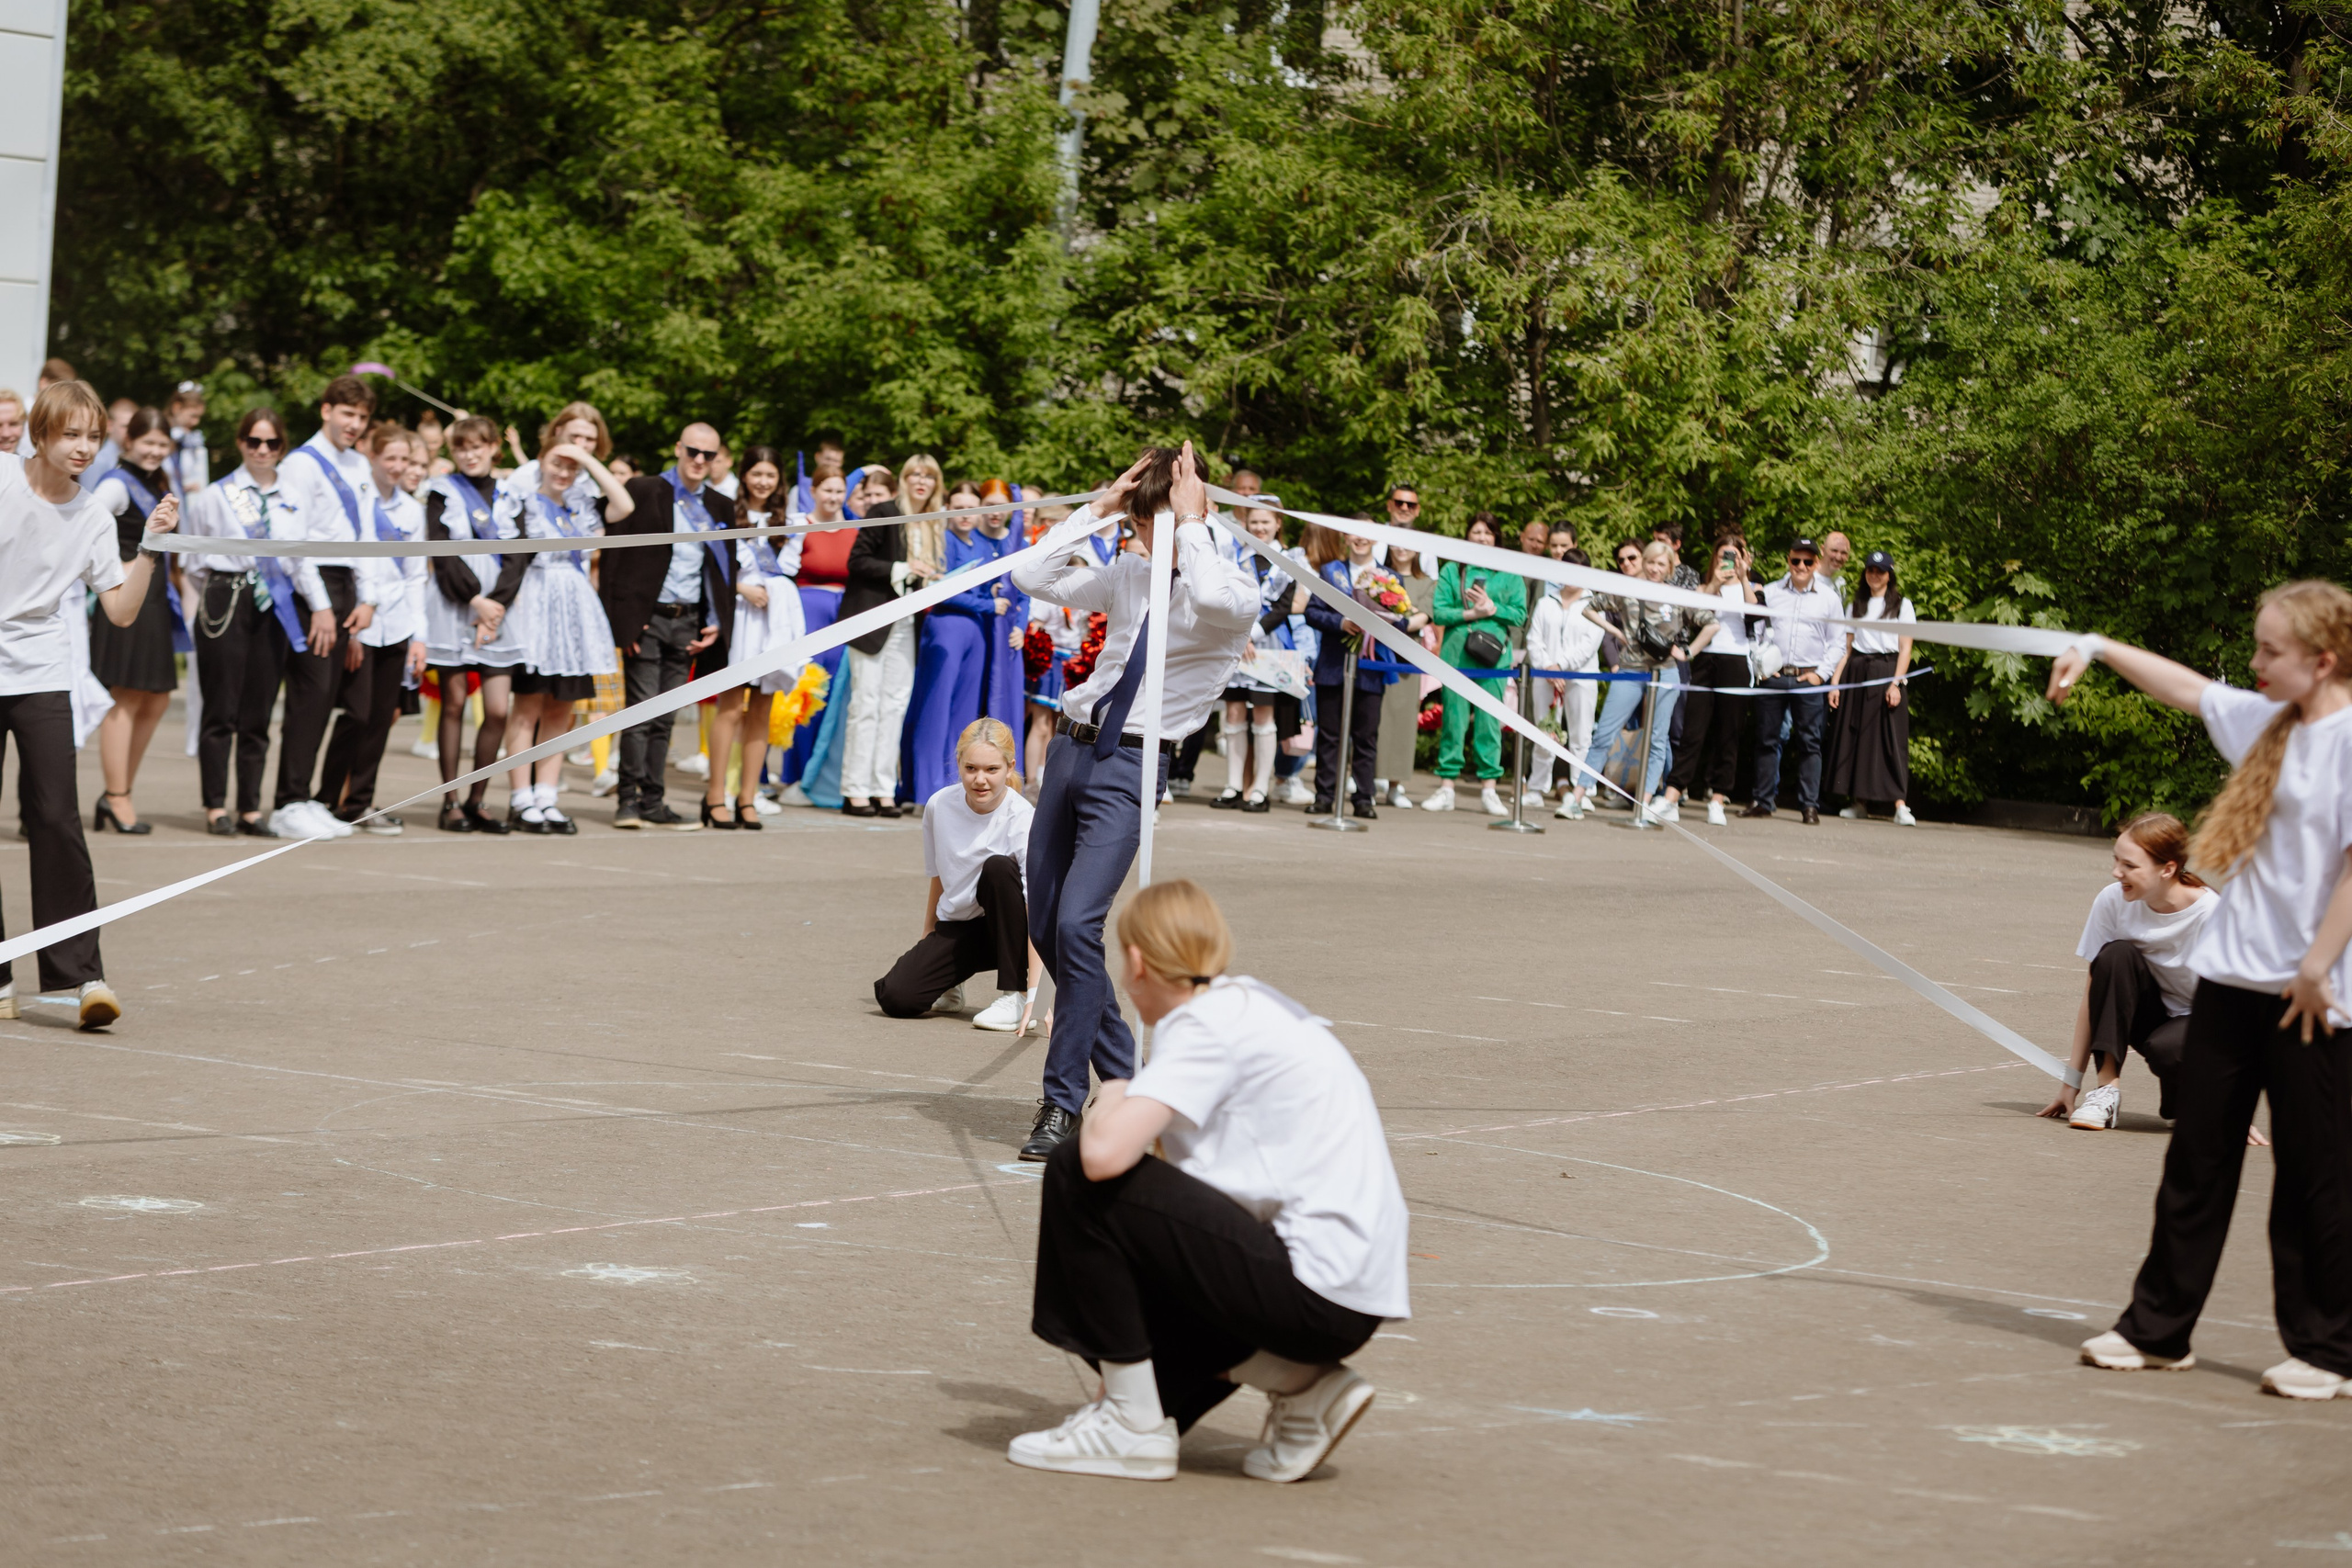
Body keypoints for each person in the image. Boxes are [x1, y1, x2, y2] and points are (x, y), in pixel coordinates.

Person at [2050, 583, 2352, 1398]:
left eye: (2269, 652)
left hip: (2313, 994)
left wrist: (2320, 966)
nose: (2253, 665)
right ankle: (2157, 1329)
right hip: (2231, 981)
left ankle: (2328, 1348)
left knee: (2315, 1174)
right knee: (2197, 1160)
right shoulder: (2265, 725)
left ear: (2321, 661)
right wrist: (2098, 644)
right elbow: (2186, 686)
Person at [1012, 879, 1409, 1483]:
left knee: (1075, 1171)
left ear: (1139, 962)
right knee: (1151, 1373)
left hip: (1312, 1287)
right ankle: (1307, 1386)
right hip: (1346, 1288)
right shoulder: (1248, 1003)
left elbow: (1102, 1157)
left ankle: (1130, 1424)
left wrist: (1115, 1089)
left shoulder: (1203, 1026)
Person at [1008, 444, 1258, 1161]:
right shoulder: (1130, 572)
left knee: (1081, 923)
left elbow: (1212, 599)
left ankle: (1062, 1101)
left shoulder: (1231, 590)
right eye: (1140, 524)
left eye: (1154, 523)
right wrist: (1100, 508)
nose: (1143, 539)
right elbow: (1032, 574)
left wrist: (1196, 525)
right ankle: (1129, 1076)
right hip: (1071, 750)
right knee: (1049, 922)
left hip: (1132, 761)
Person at [0, 380, 181, 1029]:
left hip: (42, 669)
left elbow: (121, 610)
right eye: (69, 434)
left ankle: (79, 979)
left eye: (92, 436)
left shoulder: (94, 517)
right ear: (40, 433)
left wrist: (151, 547)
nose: (81, 447)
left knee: (55, 816)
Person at [2035, 815, 2220, 1132]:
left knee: (2169, 1051)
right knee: (2115, 956)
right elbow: (2094, 997)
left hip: (2202, 1025)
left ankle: (2188, 1092)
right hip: (2148, 1015)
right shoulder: (2112, 900)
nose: (2116, 872)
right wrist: (2071, 1083)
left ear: (2168, 868)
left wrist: (2230, 1104)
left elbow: (2235, 1014)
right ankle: (2106, 1089)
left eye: (2130, 866)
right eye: (2116, 861)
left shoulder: (2213, 915)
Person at [268, 375, 390, 840]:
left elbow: (366, 535)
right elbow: (292, 541)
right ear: (326, 411)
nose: (354, 424)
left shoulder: (359, 465)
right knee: (310, 699)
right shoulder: (301, 463)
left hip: (349, 585)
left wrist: (369, 597)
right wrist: (319, 605)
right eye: (347, 414)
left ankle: (311, 799)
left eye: (362, 417)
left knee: (345, 704)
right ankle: (288, 801)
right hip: (311, 586)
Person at [501, 419, 632, 834]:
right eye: (558, 462)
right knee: (528, 704)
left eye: (571, 467)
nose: (564, 472)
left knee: (562, 707)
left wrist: (586, 460)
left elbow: (623, 506)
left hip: (574, 608)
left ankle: (547, 795)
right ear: (541, 461)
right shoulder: (521, 500)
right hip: (537, 602)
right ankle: (521, 796)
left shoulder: (580, 503)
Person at [603, 423, 733, 829]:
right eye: (693, 451)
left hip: (689, 620)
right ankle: (627, 800)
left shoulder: (720, 505)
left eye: (708, 455)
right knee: (640, 714)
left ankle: (653, 800)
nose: (699, 460)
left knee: (667, 717)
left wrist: (715, 620)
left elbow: (722, 569)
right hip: (647, 617)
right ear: (678, 448)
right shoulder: (645, 489)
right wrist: (625, 623)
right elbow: (616, 558)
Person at [873, 717, 1039, 1032]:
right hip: (960, 927)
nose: (980, 780)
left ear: (1010, 767)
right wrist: (927, 941)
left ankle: (1012, 994)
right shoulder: (939, 805)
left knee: (998, 867)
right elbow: (938, 877)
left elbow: (1036, 908)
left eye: (992, 770)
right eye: (971, 768)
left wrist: (1033, 995)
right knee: (896, 997)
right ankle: (954, 981)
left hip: (1009, 930)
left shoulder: (1023, 818)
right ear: (959, 764)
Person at [182, 408, 303, 836]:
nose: (263, 450)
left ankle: (250, 806)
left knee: (259, 708)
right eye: (254, 441)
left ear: (282, 446)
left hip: (275, 604)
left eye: (272, 443)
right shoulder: (217, 494)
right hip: (226, 595)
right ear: (241, 443)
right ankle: (215, 805)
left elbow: (300, 557)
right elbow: (193, 560)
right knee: (222, 707)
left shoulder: (293, 494)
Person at [315, 423, 428, 833]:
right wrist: (356, 633)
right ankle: (325, 799)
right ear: (373, 458)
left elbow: (417, 577)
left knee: (382, 717)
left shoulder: (413, 510)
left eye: (406, 460)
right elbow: (359, 564)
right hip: (361, 622)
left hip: (398, 625)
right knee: (356, 715)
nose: (398, 467)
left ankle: (358, 803)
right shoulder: (359, 502)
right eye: (392, 458)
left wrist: (419, 636)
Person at [85, 407, 187, 834]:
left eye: (163, 445)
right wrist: (118, 567)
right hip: (128, 599)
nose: (155, 451)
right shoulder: (115, 482)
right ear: (128, 441)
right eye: (148, 442)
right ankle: (117, 795)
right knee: (125, 697)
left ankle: (118, 791)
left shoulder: (157, 480)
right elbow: (85, 522)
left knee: (156, 698)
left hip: (154, 599)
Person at [421, 415, 522, 833]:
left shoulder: (511, 493)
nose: (470, 453)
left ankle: (479, 798)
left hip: (501, 608)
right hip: (455, 602)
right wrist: (474, 600)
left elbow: (521, 554)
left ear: (494, 447)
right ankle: (451, 802)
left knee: (498, 709)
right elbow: (442, 553)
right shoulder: (441, 492)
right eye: (462, 447)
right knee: (456, 703)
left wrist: (494, 606)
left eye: (478, 445)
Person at [840, 458, 941, 818]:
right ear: (903, 478)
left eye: (929, 476)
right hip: (871, 620)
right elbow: (857, 561)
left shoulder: (931, 523)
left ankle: (883, 790)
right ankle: (855, 792)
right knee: (865, 706)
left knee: (894, 706)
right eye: (915, 474)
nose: (921, 481)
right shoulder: (884, 511)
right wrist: (902, 569)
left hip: (906, 625)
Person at [1421, 513, 1526, 816]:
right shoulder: (1453, 570)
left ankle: (1489, 788)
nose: (1481, 537)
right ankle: (1446, 787)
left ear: (1497, 538)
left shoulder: (1509, 572)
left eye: (1488, 533)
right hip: (1456, 654)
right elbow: (1439, 612)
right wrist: (1469, 615)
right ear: (1467, 536)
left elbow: (1520, 615)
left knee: (1489, 721)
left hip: (1494, 657)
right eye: (1476, 532)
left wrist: (1494, 608)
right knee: (1453, 720)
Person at [723, 445, 806, 829]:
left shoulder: (791, 519)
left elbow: (787, 568)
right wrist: (742, 589)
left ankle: (748, 798)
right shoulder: (726, 514)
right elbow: (719, 566)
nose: (763, 481)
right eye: (756, 473)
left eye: (770, 475)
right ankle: (716, 796)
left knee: (761, 709)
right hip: (740, 615)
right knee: (729, 706)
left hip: (773, 619)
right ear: (744, 475)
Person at [1304, 521, 1409, 818]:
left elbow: (1401, 621)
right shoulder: (1330, 571)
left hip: (1371, 665)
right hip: (1333, 663)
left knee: (1366, 735)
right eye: (1354, 532)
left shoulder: (1389, 576)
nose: (1360, 538)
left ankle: (1364, 798)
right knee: (1330, 735)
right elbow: (1312, 612)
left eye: (1367, 533)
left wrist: (1379, 623)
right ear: (1345, 536)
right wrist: (1341, 623)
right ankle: (1324, 795)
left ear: (1376, 539)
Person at [904, 479, 1000, 803]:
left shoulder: (984, 545)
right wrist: (989, 603)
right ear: (948, 509)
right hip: (945, 627)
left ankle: (953, 787)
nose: (965, 515)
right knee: (935, 709)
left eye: (971, 508)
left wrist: (992, 599)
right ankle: (923, 789)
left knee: (965, 715)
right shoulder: (940, 541)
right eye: (958, 508)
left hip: (976, 633)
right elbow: (941, 592)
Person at [1660, 534, 1759, 827]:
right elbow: (1693, 616)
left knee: (1729, 733)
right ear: (1714, 557)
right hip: (1706, 660)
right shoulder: (1704, 587)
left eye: (1734, 555)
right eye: (1722, 554)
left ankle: (1718, 798)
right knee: (1693, 731)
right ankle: (1672, 795)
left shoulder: (1751, 588)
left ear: (1742, 558)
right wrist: (1715, 583)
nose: (1727, 560)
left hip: (1737, 661)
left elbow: (1754, 617)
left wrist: (1743, 578)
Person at [1743, 537, 1843, 825]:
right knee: (1765, 739)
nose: (1801, 566)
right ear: (1788, 560)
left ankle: (1809, 805)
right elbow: (1756, 631)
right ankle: (1763, 801)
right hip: (1773, 676)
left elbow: (1837, 643)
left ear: (1816, 563)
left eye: (1808, 561)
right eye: (1796, 560)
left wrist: (1820, 675)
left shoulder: (1829, 598)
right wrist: (1760, 665)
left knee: (1810, 743)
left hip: (1808, 679)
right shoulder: (1771, 592)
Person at [1213, 507, 1300, 812]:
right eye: (1254, 523)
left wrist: (1254, 635)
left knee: (1264, 714)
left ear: (1278, 524)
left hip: (1269, 645)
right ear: (1245, 525)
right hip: (1236, 643)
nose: (1260, 528)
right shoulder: (1236, 558)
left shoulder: (1289, 561)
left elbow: (1284, 606)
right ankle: (1234, 785)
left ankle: (1260, 787)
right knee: (1234, 713)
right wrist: (1240, 635)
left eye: (1265, 522)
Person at [1826, 548, 1917, 826]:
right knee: (1857, 737)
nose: (1874, 575)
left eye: (1880, 571)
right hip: (1858, 672)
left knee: (1891, 738)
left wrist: (1896, 684)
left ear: (1889, 574)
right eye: (1870, 570)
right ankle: (1859, 802)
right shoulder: (1856, 604)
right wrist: (1835, 683)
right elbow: (1846, 648)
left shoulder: (1902, 605)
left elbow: (1906, 649)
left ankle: (1900, 805)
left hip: (1887, 671)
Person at [780, 464, 854, 794]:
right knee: (805, 693)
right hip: (807, 614)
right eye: (827, 490)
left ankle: (822, 775)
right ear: (813, 491)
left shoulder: (856, 527)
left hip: (844, 618)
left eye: (839, 491)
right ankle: (795, 774)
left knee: (836, 694)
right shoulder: (800, 525)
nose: (834, 497)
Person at [1524, 547, 1604, 816]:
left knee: (1582, 736)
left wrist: (1562, 666)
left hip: (1581, 677)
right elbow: (1534, 639)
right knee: (1545, 731)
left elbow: (1589, 644)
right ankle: (1536, 788)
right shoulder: (1546, 602)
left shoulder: (1595, 605)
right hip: (1545, 677)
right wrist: (1548, 667)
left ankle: (1583, 791)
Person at [1374, 540, 1436, 808]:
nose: (1402, 549)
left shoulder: (1427, 583)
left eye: (1408, 544)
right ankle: (1367, 779)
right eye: (1396, 544)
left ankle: (1395, 785)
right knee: (1372, 719)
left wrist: (1397, 621)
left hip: (1407, 658)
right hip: (1375, 654)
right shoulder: (1377, 577)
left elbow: (1423, 617)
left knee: (1402, 721)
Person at [164, 382, 208, 500]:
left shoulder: (187, 439)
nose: (196, 422)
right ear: (177, 408)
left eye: (199, 417)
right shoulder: (165, 437)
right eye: (193, 416)